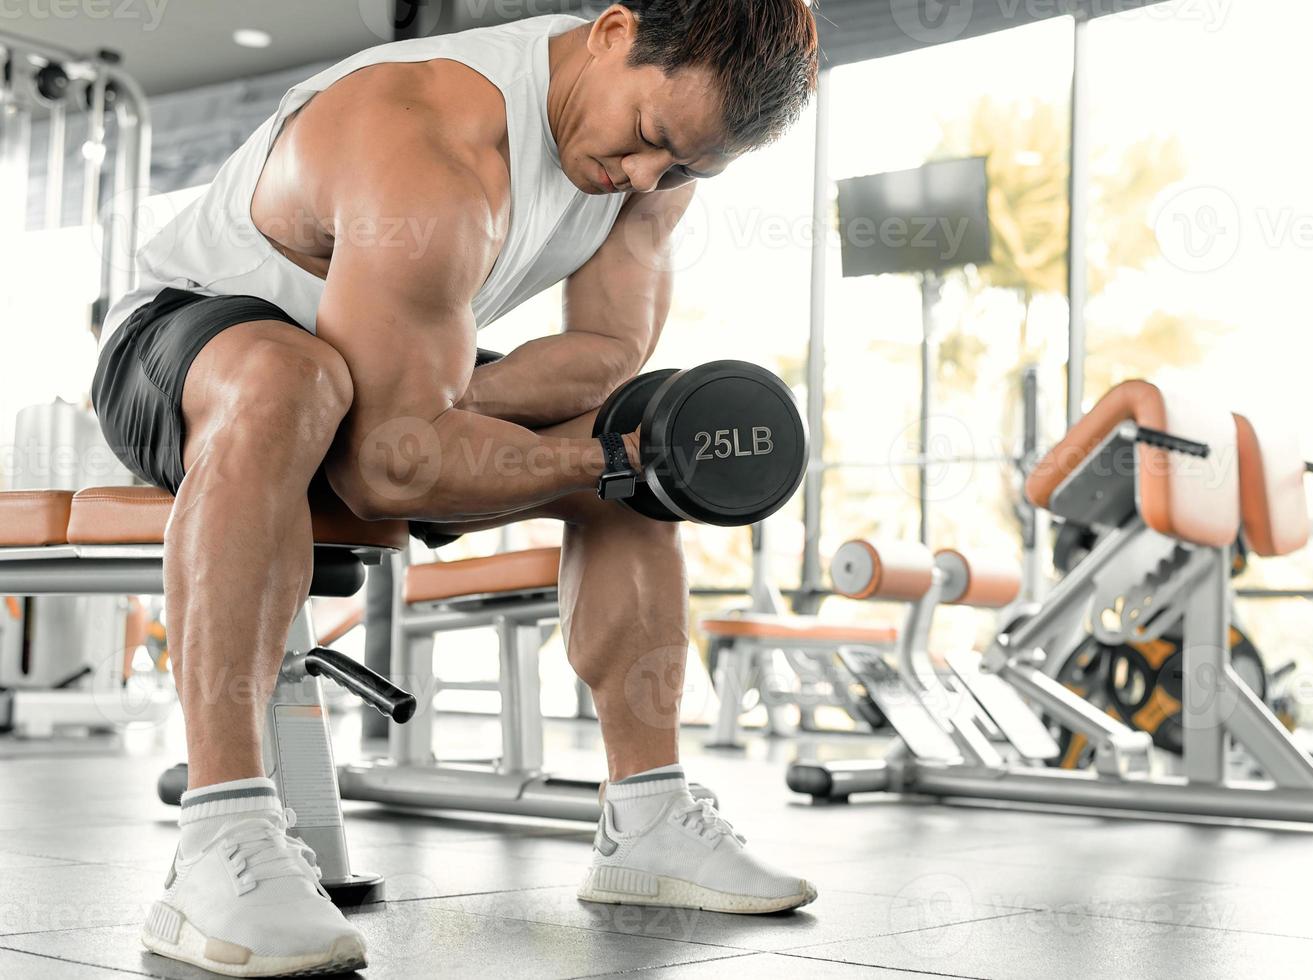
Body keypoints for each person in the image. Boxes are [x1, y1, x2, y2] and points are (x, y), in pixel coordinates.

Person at [92, 4, 820, 975]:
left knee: (634, 427)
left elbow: (606, 353)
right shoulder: (425, 132)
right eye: (651, 139)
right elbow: (387, 464)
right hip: (194, 347)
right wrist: (568, 450)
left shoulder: (657, 168)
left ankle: (649, 817)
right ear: (612, 31)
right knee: (300, 379)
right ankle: (217, 842)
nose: (650, 178)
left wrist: (458, 400)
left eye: (688, 167)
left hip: (393, 355)